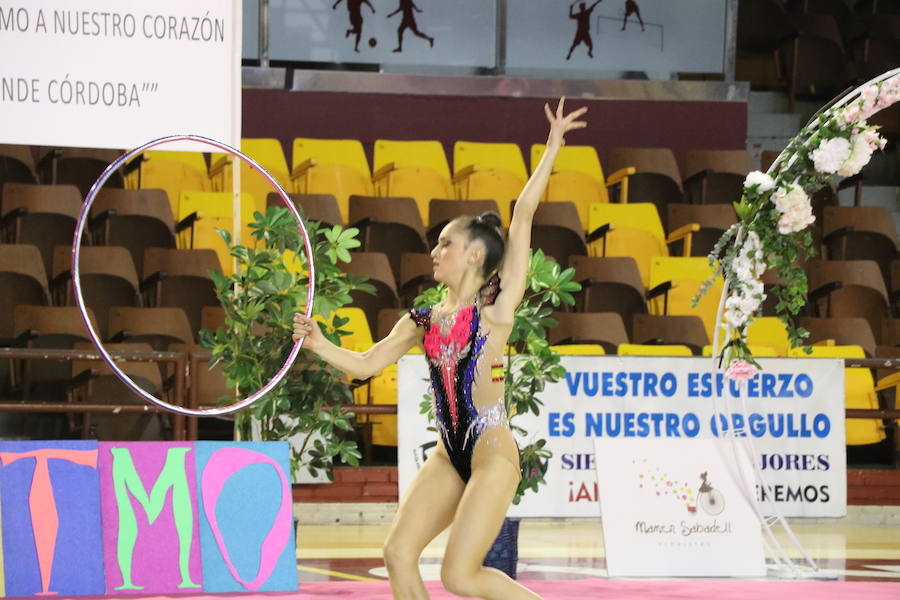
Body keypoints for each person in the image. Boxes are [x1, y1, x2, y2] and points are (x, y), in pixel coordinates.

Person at [293, 98, 587, 599]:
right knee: (397, 553)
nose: (434, 251)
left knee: (459, 576)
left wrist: (553, 146)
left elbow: (524, 213)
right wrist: (319, 343)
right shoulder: (422, 319)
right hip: (449, 454)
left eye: (445, 243)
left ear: (474, 253)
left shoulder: (496, 311)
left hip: (493, 453)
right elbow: (367, 363)